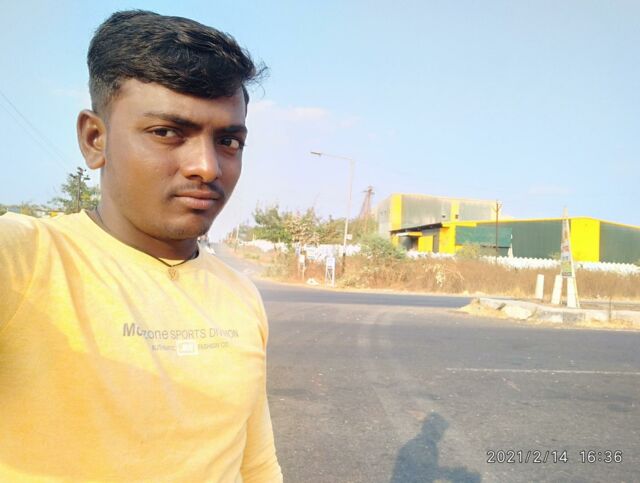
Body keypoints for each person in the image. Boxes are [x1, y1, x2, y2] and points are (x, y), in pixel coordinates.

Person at [0, 10, 282, 482]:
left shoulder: (241, 295)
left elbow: (256, 463)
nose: (207, 167)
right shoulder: (26, 260)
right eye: (167, 132)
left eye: (229, 141)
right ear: (95, 139)